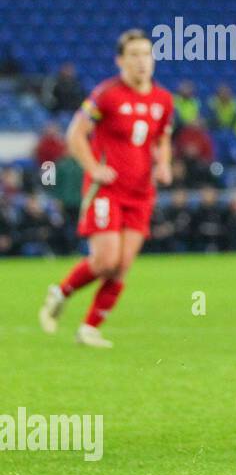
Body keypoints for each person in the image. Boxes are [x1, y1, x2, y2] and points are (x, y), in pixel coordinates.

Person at [39, 29, 173, 347]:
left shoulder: (163, 100)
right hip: (108, 190)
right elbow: (75, 134)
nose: (141, 62)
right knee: (105, 260)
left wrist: (164, 164)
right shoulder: (106, 94)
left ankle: (89, 328)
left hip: (141, 193)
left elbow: (162, 138)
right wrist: (94, 168)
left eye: (146, 54)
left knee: (123, 265)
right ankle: (61, 292)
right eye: (134, 55)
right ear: (121, 61)